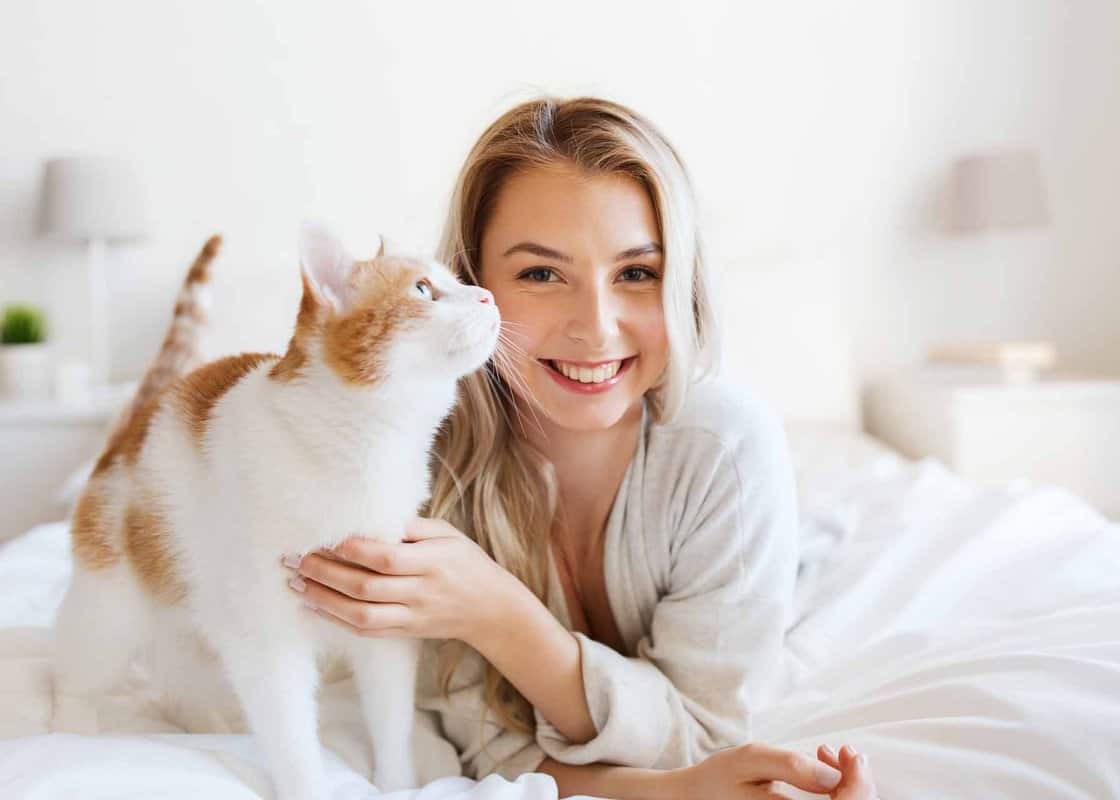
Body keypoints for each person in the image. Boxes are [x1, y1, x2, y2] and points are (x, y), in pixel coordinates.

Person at [282, 96, 880, 800]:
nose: (595, 330)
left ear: (681, 284)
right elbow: (493, 754)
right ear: (472, 287)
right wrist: (678, 791)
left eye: (636, 273)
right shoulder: (425, 471)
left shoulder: (726, 449)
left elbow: (705, 734)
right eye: (541, 274)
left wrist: (497, 613)